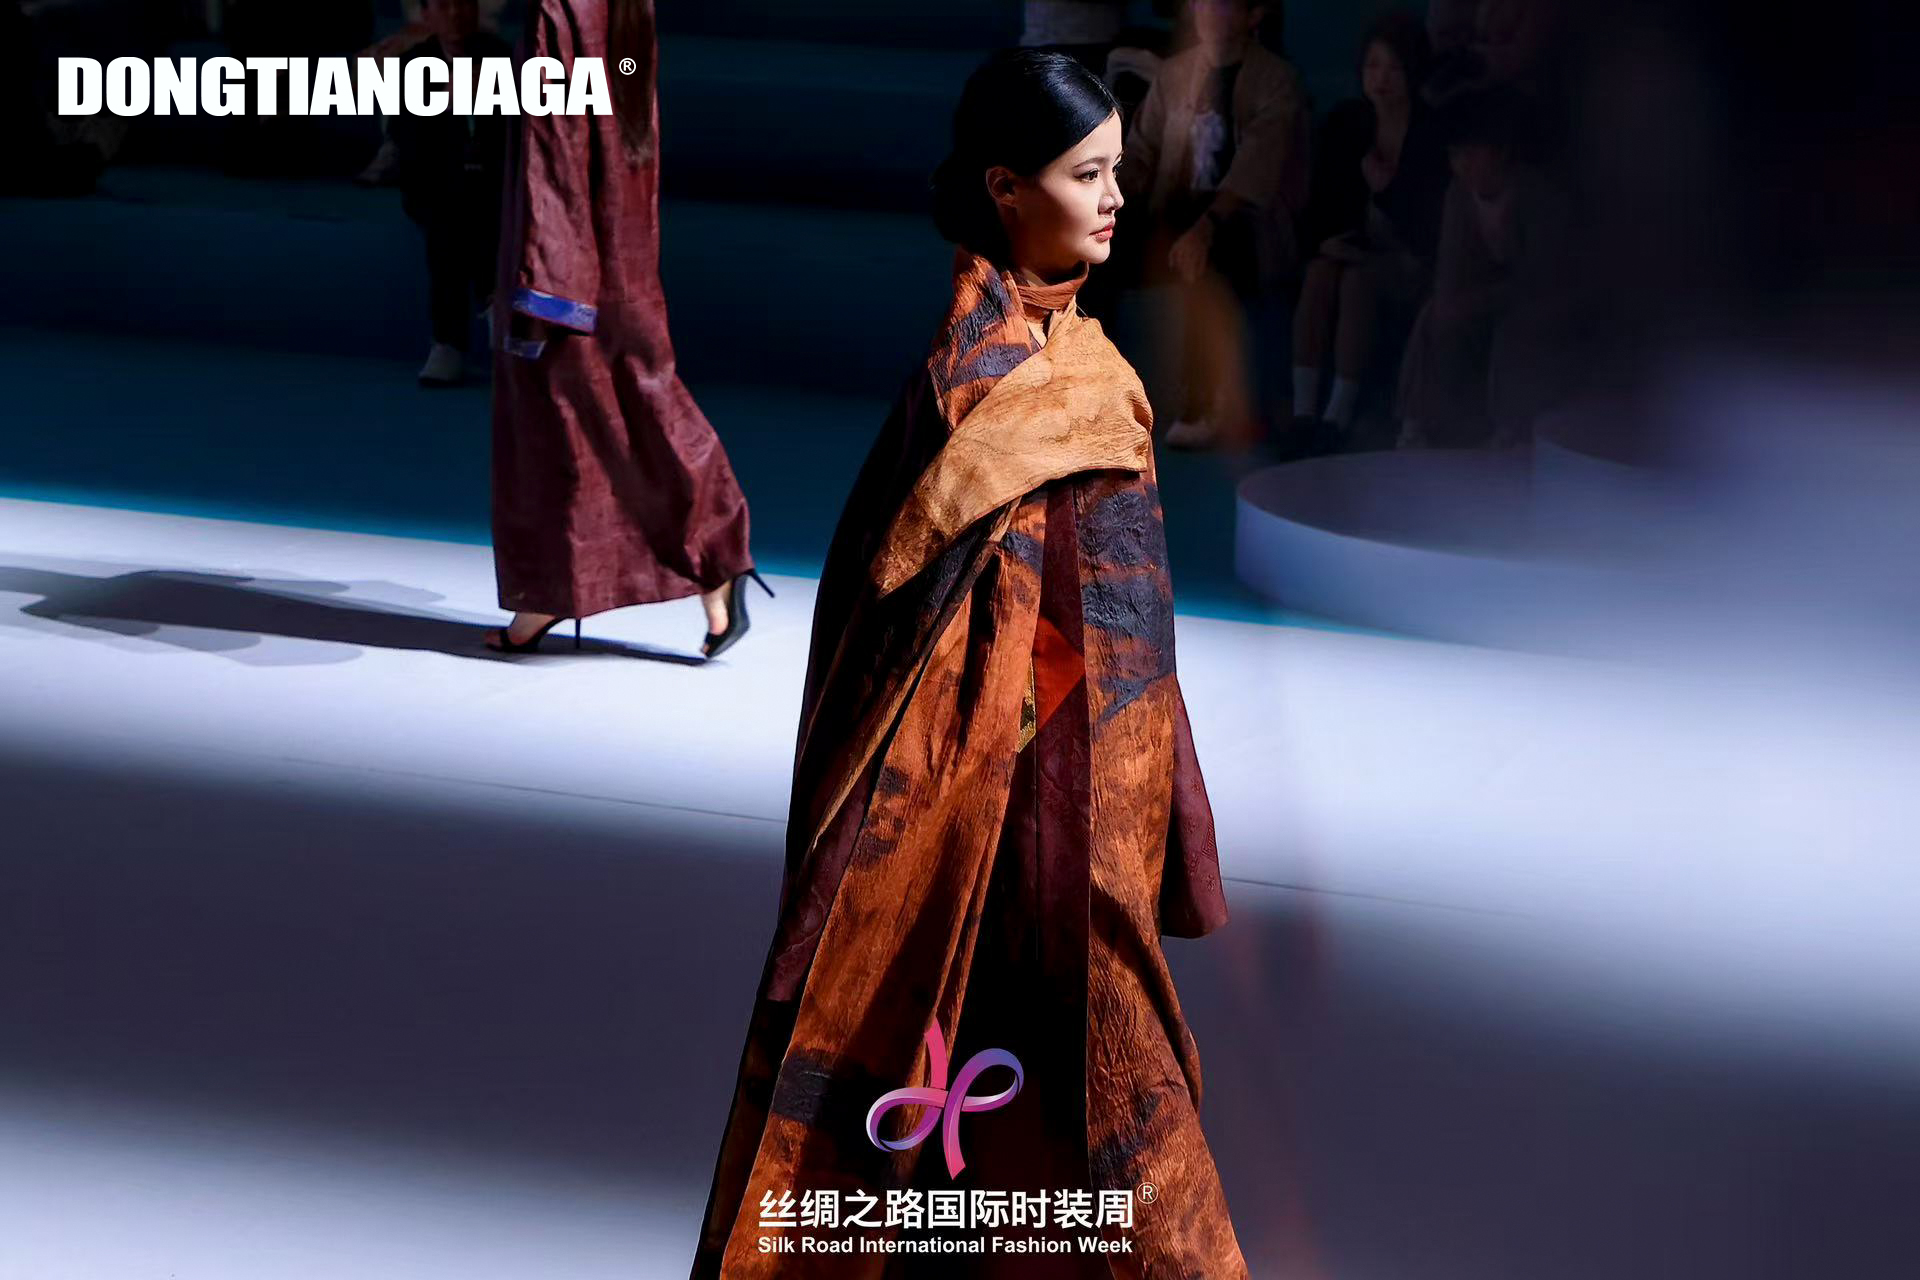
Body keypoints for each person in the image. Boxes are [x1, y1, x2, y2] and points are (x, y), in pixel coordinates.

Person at [690, 50, 1246, 1279]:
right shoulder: (976, 388)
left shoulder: (1081, 363)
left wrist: (1153, 800)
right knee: (1067, 1102)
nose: (1115, 196)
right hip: (992, 815)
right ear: (1005, 187)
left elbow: (1129, 625)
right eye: (1086, 174)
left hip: (1077, 801)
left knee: (1057, 1102)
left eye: (1117, 170)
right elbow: (897, 628)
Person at [484, 0, 767, 658]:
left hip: (573, 241)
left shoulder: (562, 7)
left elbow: (556, 134)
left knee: (581, 405)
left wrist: (549, 271)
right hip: (614, 230)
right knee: (619, 399)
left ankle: (712, 555)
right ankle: (568, 585)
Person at [1120, 0, 1308, 450]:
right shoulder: (1174, 74)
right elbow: (1141, 151)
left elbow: (1258, 168)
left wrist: (1205, 227)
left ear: (1252, 14)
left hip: (1244, 218)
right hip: (1174, 210)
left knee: (1214, 247)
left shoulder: (1276, 80)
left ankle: (1204, 400)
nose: (1208, 11)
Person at [1286, 11, 1449, 451]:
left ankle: (1338, 417)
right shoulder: (1349, 121)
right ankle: (1304, 413)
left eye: (1394, 68)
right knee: (1321, 272)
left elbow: (1429, 227)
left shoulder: (1430, 132)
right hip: (1354, 250)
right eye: (1374, 66)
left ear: (1413, 70)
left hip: (1408, 261)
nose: (1382, 78)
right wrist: (1333, 241)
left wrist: (1386, 190)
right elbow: (1325, 202)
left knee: (1358, 280)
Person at [1396, 84, 1579, 448]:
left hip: (1543, 298)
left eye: (1470, 153)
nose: (1461, 164)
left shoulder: (1535, 195)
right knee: (1434, 315)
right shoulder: (1459, 194)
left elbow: (1544, 277)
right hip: (1487, 291)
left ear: (1500, 152)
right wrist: (1451, 301)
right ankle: (1416, 424)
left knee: (1519, 327)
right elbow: (1451, 262)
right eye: (1454, 155)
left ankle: (1508, 428)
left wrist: (1480, 300)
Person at [387, 0, 510, 387]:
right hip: (438, 183)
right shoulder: (412, 66)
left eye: (463, 5)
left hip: (494, 182)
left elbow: (521, 132)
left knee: (487, 210)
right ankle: (450, 340)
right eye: (444, 6)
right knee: (447, 221)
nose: (455, 15)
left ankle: (491, 316)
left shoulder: (504, 59)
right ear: (427, 14)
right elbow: (407, 140)